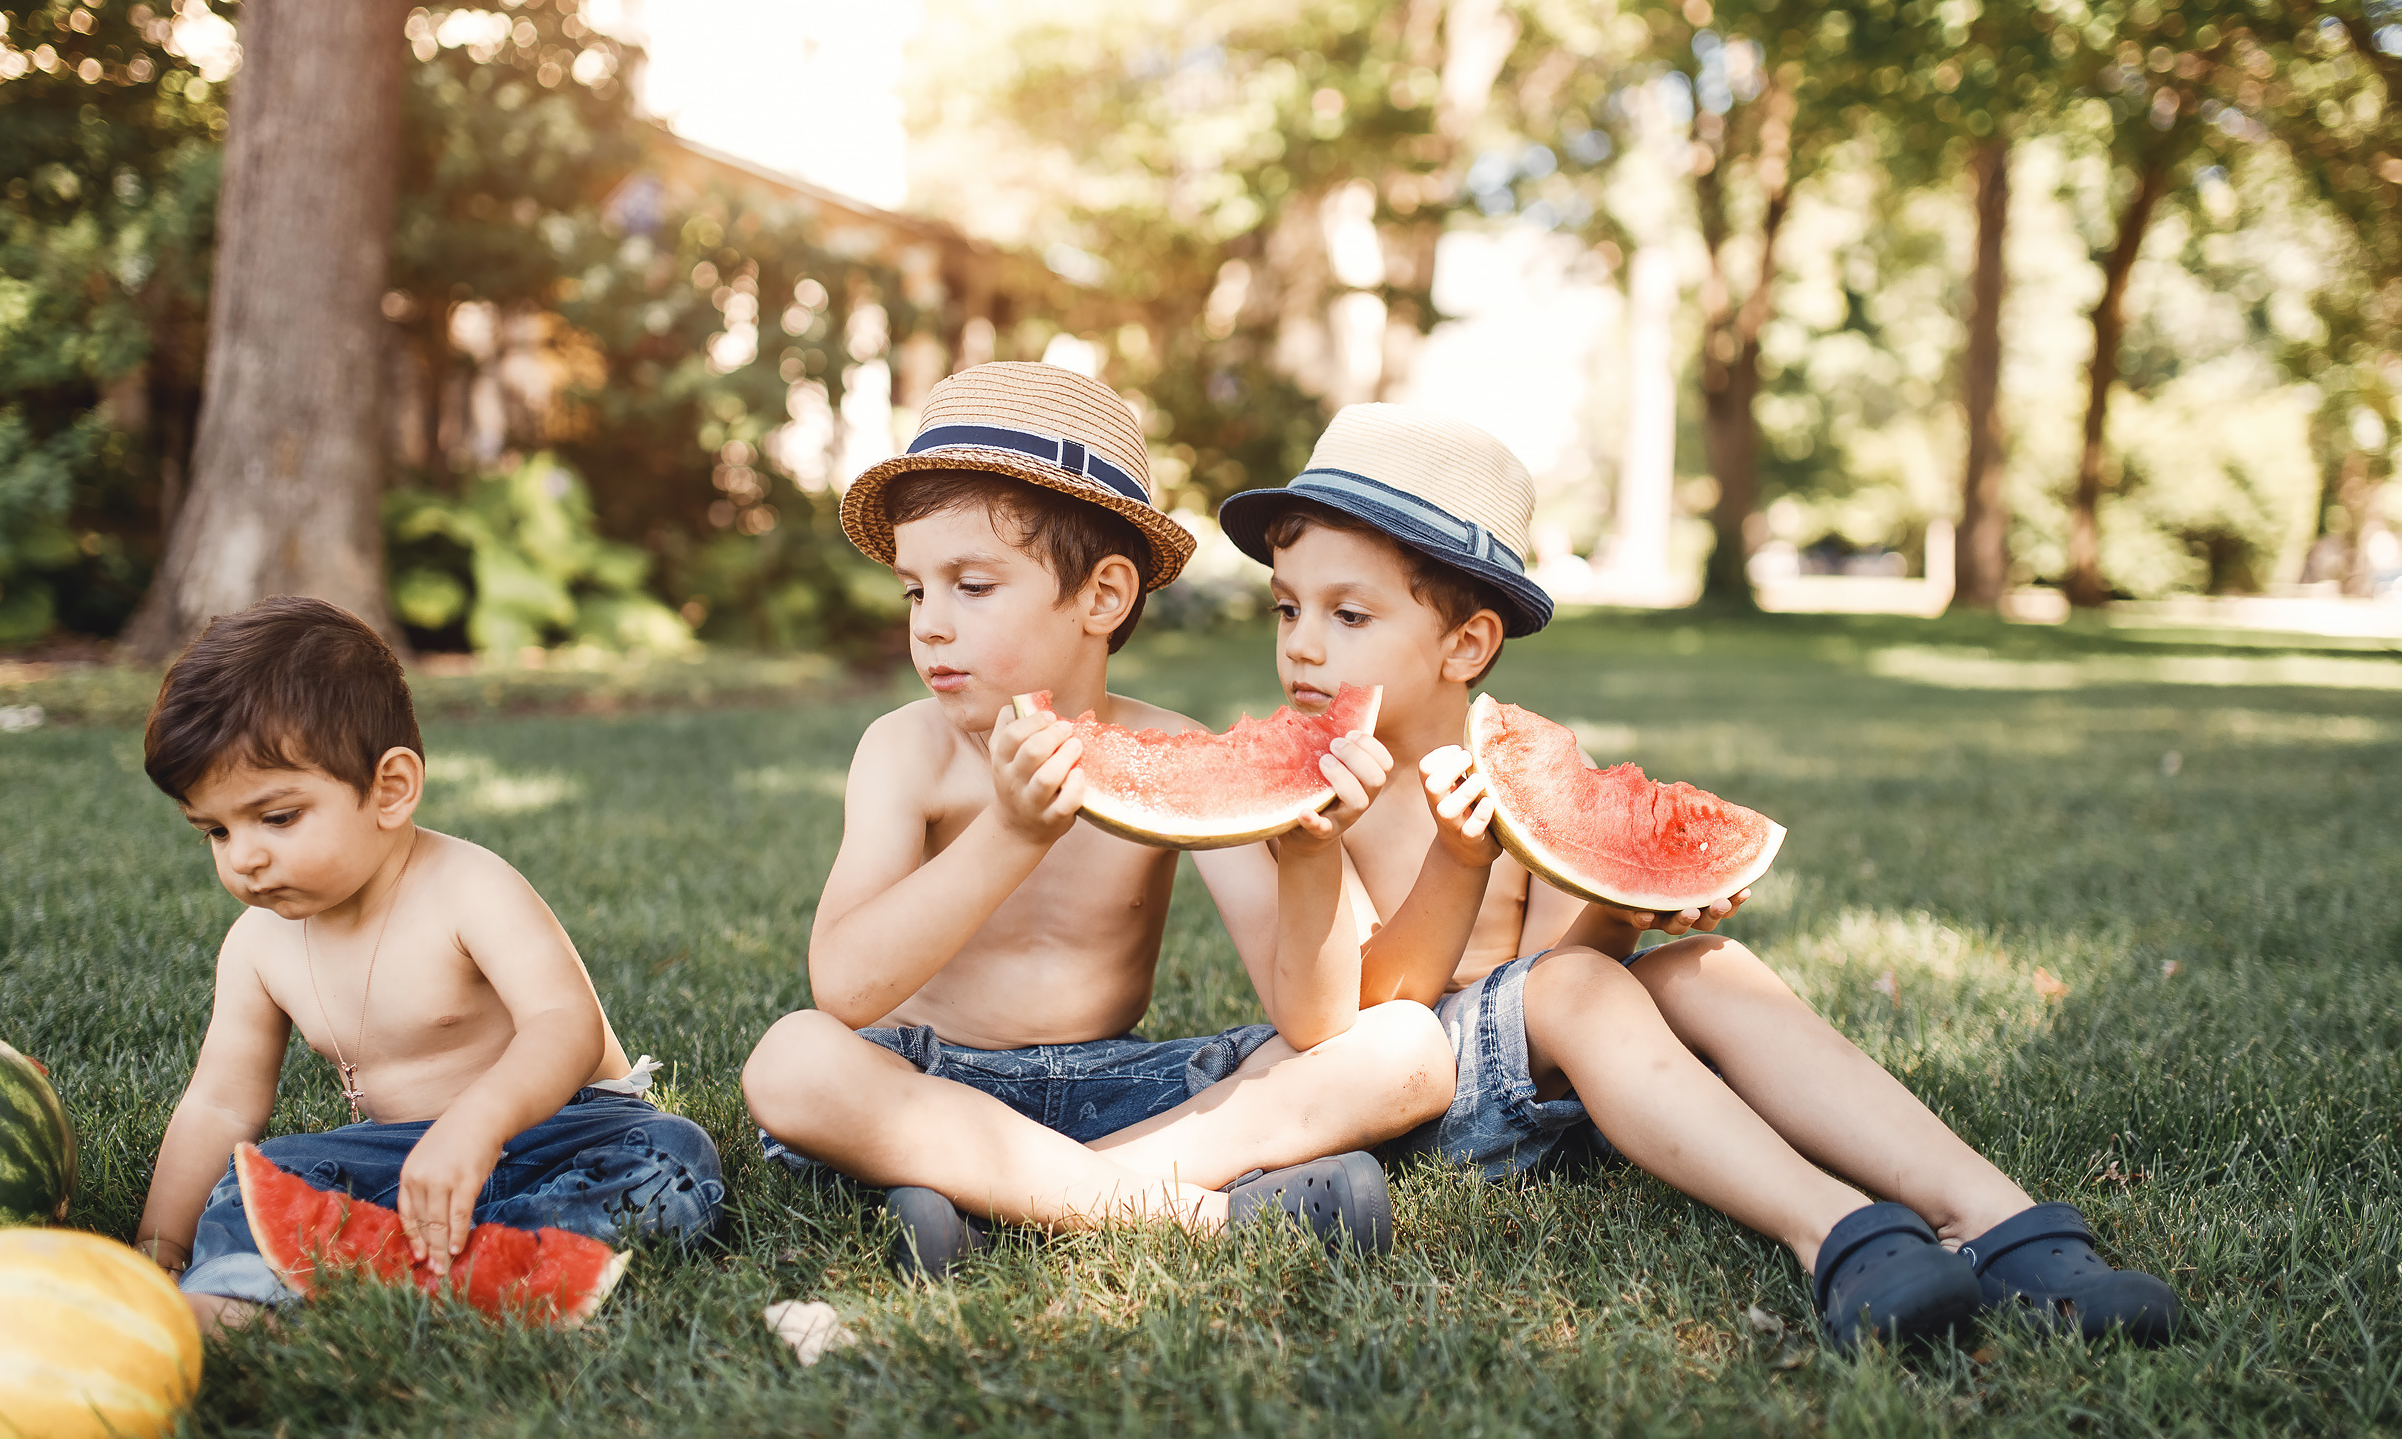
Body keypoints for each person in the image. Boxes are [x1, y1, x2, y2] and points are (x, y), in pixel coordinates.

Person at [1216, 404, 2182, 1351]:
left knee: (1710, 961)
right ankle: (1834, 1232)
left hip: (1561, 1092)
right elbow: (1351, 1021)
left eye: (1348, 613)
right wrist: (1458, 863)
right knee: (1574, 991)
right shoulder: (1304, 789)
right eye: (1288, 606)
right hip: (1406, 1105)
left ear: (1466, 643)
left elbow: (1565, 976)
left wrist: (1625, 908)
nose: (1301, 642)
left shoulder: (1525, 760)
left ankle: (1996, 1219)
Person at [740, 362, 1452, 1275]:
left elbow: (1311, 1022)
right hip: (925, 1077)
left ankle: (1003, 1199)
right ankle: (1204, 1217)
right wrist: (1012, 831)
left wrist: (1310, 853)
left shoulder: (1178, 746)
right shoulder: (903, 748)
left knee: (1407, 1051)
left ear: (1104, 597)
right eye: (917, 590)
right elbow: (842, 986)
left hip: (1126, 1086)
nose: (931, 625)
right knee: (793, 1058)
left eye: (973, 584)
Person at [131, 596, 724, 1330]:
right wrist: (160, 1245)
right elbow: (220, 1103)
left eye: (277, 817)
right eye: (215, 830)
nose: (244, 856)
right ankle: (234, 1293)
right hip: (403, 1160)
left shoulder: (470, 887)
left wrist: (477, 1123)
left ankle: (488, 1258)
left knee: (671, 1154)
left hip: (560, 1131)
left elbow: (563, 1026)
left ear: (390, 788)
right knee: (263, 1174)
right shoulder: (256, 946)